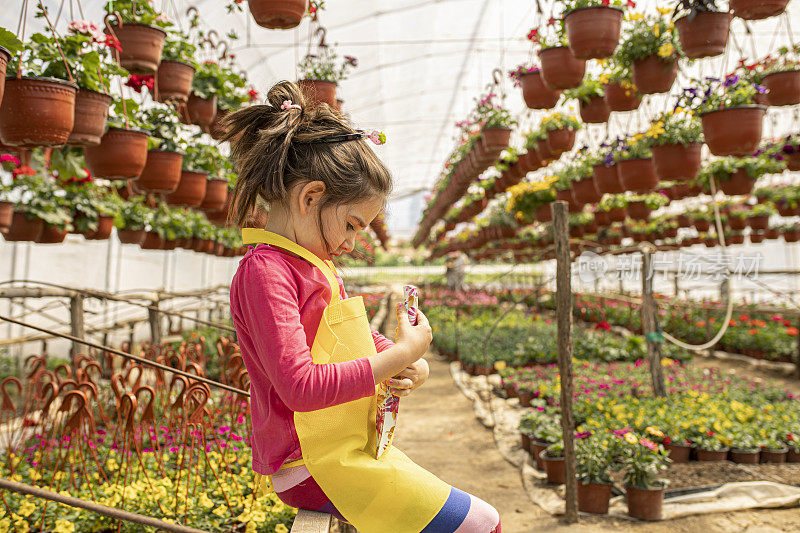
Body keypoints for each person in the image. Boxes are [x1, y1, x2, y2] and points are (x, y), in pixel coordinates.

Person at [226, 81, 501, 533]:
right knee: (483, 524)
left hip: (340, 445)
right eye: (352, 225)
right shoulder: (266, 272)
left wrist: (396, 356)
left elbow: (339, 338)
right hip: (312, 461)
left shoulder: (313, 264)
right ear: (310, 197)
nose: (353, 242)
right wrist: (401, 355)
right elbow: (300, 387)